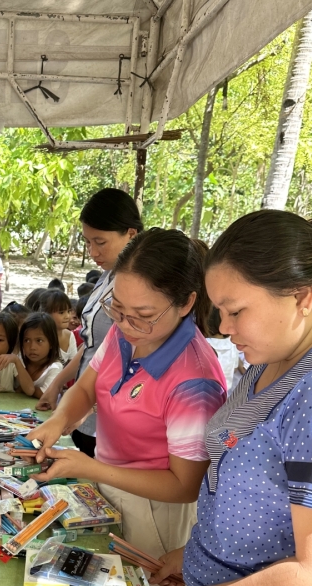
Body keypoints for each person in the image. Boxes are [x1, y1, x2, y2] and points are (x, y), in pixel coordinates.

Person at [120, 211, 312, 586]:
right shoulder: (267, 364)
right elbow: (250, 497)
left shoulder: (308, 401)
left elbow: (309, 578)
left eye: (236, 310)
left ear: (302, 297)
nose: (224, 327)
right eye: (219, 312)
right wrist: (196, 556)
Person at [30, 228, 226, 560]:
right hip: (107, 485)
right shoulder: (127, 332)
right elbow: (87, 386)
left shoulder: (195, 382)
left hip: (156, 511)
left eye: (144, 315)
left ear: (186, 303)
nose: (124, 322)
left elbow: (185, 485)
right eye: (116, 307)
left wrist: (91, 468)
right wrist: (60, 418)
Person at [37, 188, 144, 457]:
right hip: (83, 408)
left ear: (131, 234)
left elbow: (132, 361)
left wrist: (90, 406)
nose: (92, 251)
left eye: (100, 242)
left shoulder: (139, 289)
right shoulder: (105, 277)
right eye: (87, 242)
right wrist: (57, 384)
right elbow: (94, 346)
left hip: (108, 418)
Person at [19, 312, 64, 398]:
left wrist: (23, 388)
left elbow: (45, 394)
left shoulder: (54, 367)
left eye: (39, 340)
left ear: (51, 342)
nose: (32, 347)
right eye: (27, 340)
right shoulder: (20, 361)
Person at [206, 307, 244, 392]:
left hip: (208, 392)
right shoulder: (232, 344)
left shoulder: (205, 344)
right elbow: (234, 368)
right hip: (226, 392)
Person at [40, 289, 78, 365]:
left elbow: (73, 366)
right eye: (61, 312)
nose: (67, 316)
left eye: (68, 311)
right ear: (46, 313)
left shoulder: (69, 335)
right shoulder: (39, 336)